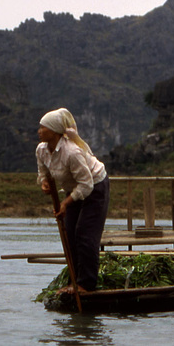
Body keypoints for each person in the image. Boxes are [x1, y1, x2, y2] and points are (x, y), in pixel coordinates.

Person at [36, 108, 110, 294]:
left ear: (53, 131)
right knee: (69, 234)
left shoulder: (72, 152)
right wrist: (45, 183)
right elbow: (43, 172)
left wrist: (65, 203)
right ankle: (74, 282)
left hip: (95, 186)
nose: (39, 131)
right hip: (74, 189)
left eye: (43, 128)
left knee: (84, 234)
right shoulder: (42, 150)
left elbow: (86, 185)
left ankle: (86, 284)